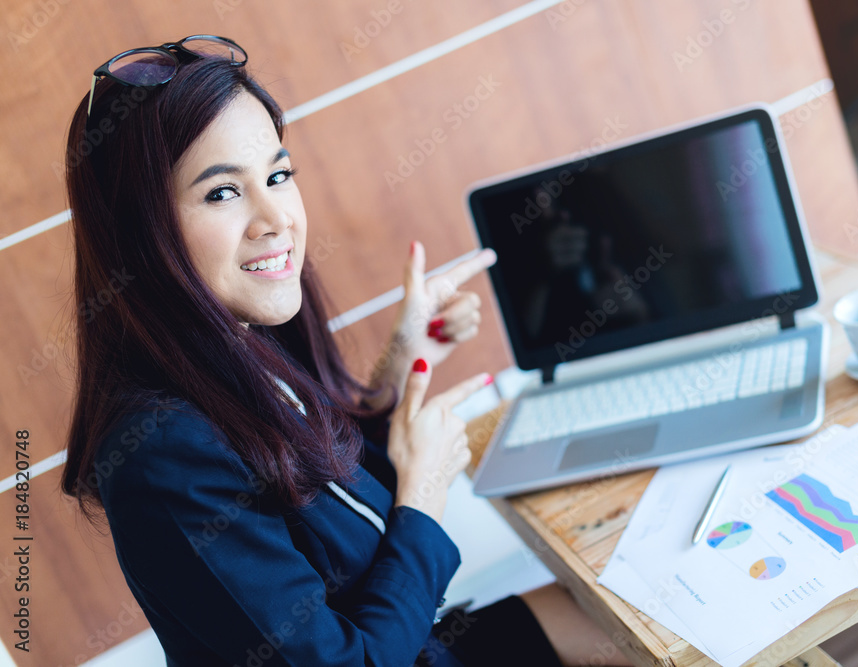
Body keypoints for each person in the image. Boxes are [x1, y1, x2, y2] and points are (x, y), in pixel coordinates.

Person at [58, 35, 630, 666]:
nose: (275, 217)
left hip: (415, 645)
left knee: (622, 610)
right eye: (223, 192)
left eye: (277, 175)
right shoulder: (162, 453)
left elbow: (331, 503)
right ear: (140, 232)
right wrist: (425, 496)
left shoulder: (242, 340)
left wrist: (398, 367)